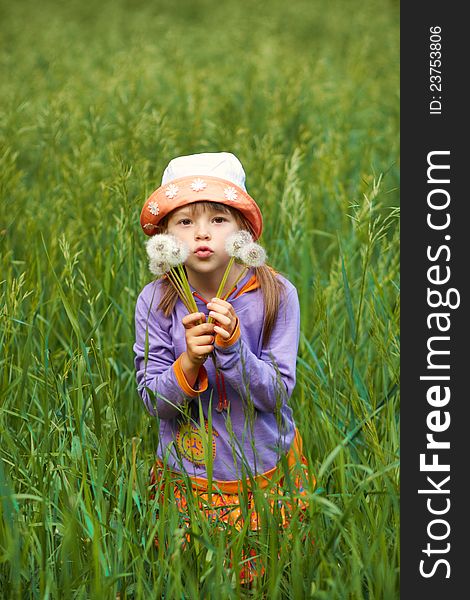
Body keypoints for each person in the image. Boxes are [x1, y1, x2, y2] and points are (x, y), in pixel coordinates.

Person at [134, 152, 313, 582]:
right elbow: (155, 402)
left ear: (243, 231)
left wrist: (232, 350)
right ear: (164, 235)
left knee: (270, 576)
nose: (201, 233)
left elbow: (274, 394)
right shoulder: (155, 301)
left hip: (262, 469)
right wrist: (190, 360)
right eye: (184, 221)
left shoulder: (276, 295)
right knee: (194, 578)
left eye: (217, 219)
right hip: (190, 476)